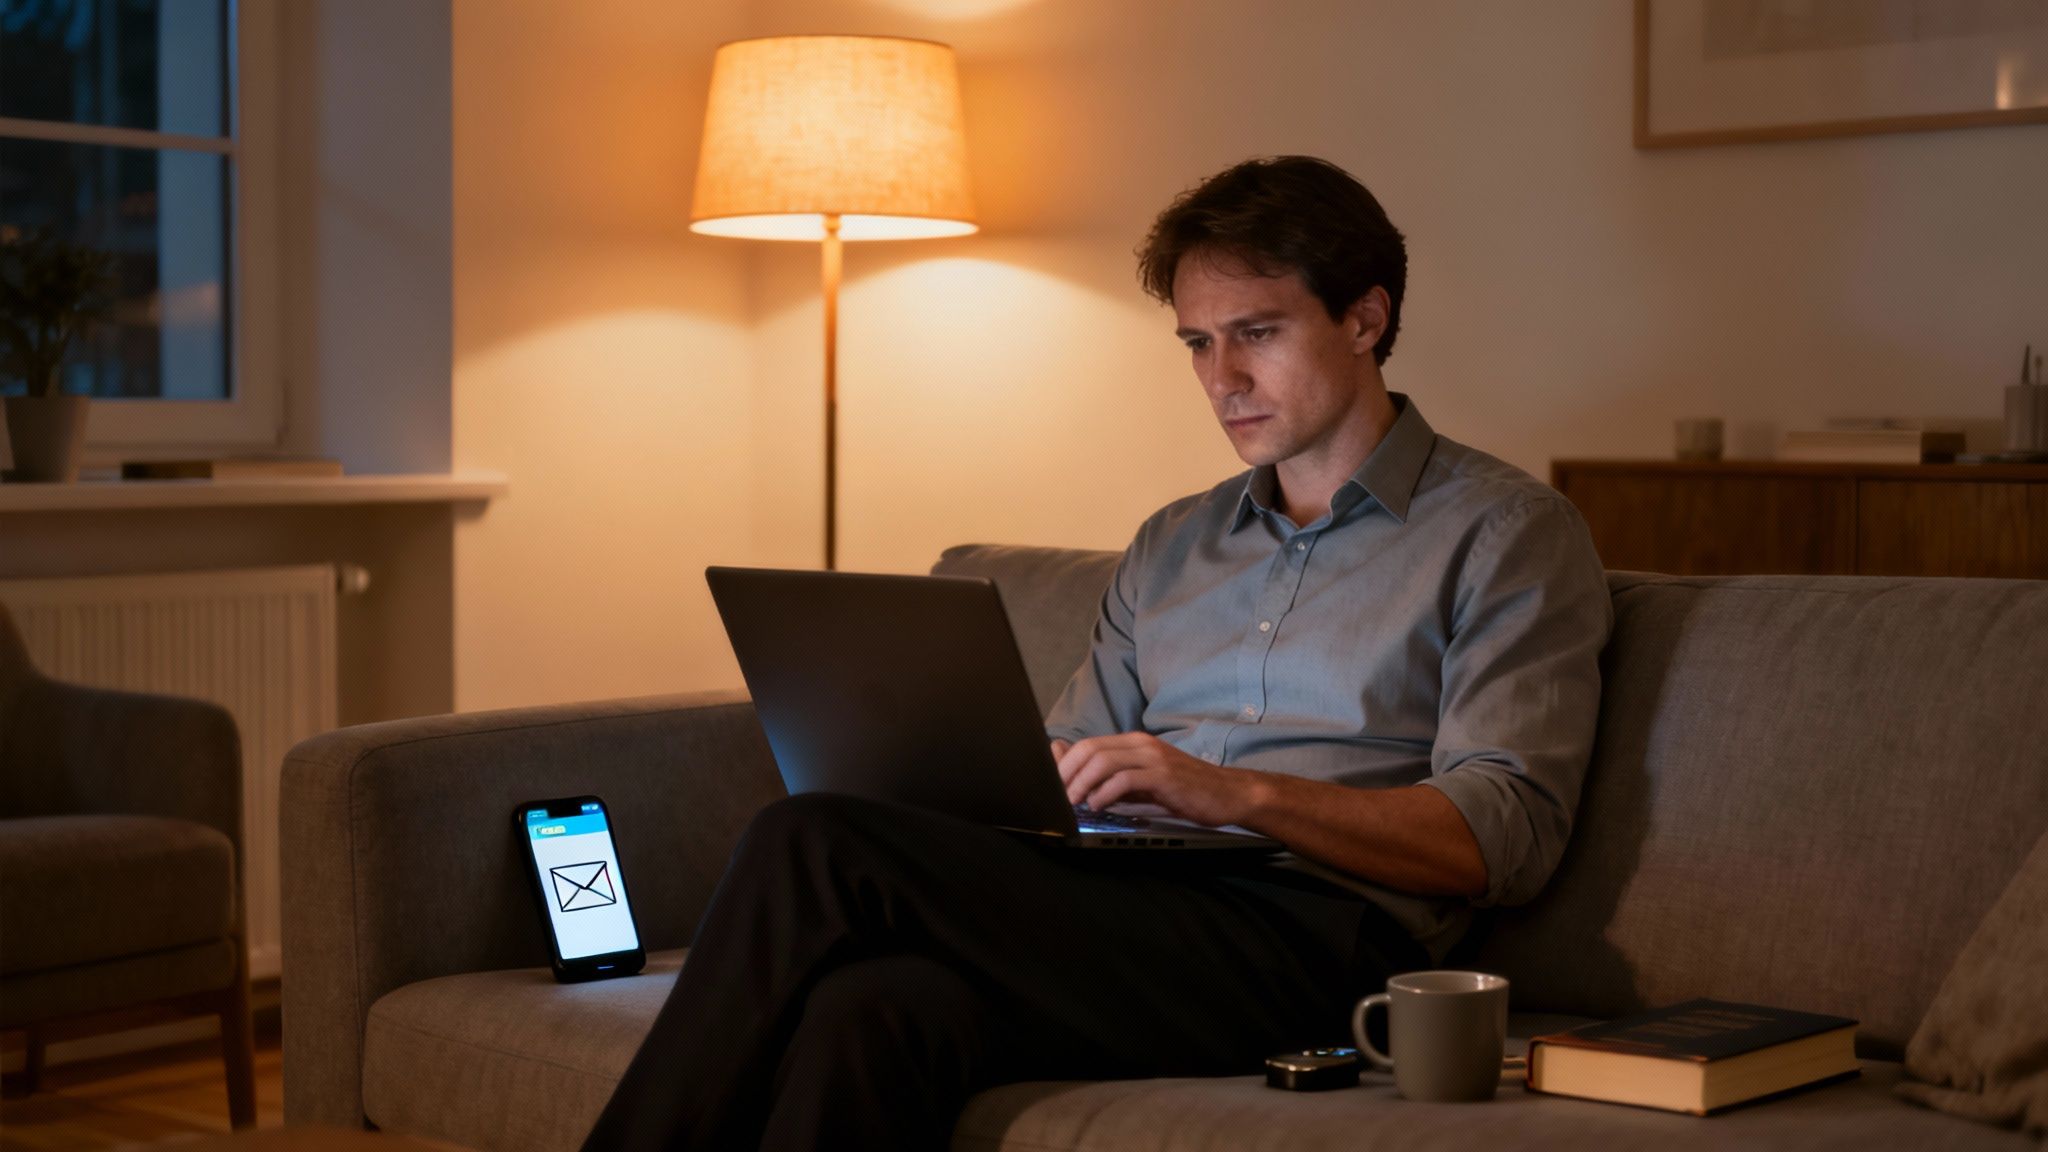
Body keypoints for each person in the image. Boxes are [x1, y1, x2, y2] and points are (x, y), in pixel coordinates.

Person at [581, 155, 1612, 1152]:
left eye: (1256, 333)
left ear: (1364, 319)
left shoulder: (1506, 532)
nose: (1223, 378)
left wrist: (1230, 794)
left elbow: (1502, 838)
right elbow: (1065, 757)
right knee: (880, 1007)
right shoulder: (1172, 543)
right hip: (1129, 909)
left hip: (1325, 945)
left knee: (809, 841)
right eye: (1197, 344)